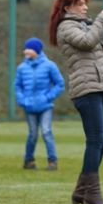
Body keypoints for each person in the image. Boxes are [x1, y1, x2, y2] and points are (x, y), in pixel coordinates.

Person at [48, 0, 103, 204]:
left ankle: (81, 191)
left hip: (99, 85)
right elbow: (88, 42)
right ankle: (92, 193)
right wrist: (102, 18)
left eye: (85, 3)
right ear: (67, 7)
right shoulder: (66, 27)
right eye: (80, 4)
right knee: (96, 140)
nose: (85, 7)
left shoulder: (85, 25)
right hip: (86, 88)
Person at [15, 37, 65, 171]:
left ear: (36, 50)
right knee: (32, 134)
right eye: (26, 48)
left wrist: (47, 97)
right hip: (29, 107)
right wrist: (22, 100)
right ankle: (29, 161)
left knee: (46, 131)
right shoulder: (21, 68)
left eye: (29, 48)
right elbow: (18, 86)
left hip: (45, 107)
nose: (26, 51)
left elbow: (60, 84)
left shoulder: (50, 65)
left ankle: (52, 161)